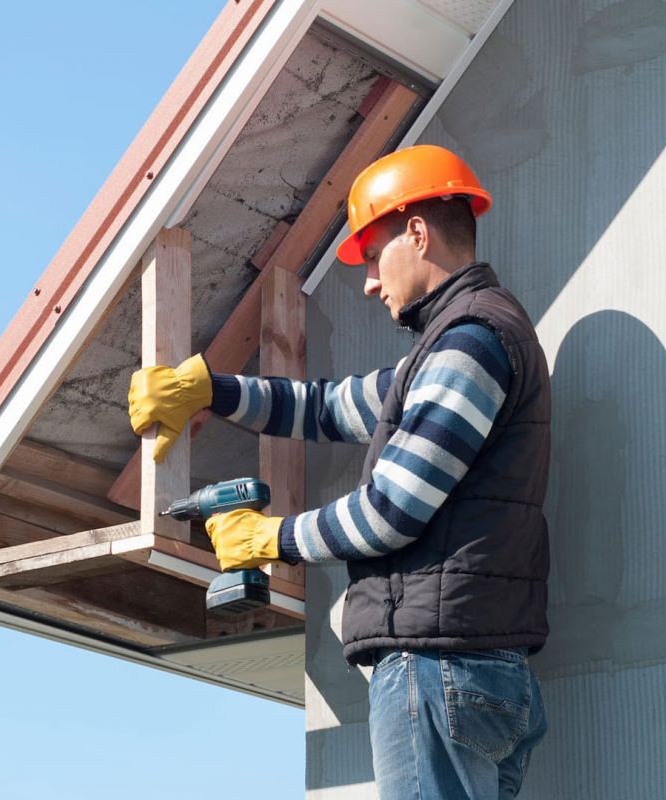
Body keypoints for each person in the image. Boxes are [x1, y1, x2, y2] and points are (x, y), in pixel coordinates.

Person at [129, 144, 551, 799]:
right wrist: (210, 389)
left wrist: (268, 539)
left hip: (438, 665)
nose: (369, 282)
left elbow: (391, 511)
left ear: (417, 232)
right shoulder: (454, 347)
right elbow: (328, 405)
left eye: (374, 254)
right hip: (475, 669)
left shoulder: (470, 342)